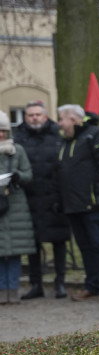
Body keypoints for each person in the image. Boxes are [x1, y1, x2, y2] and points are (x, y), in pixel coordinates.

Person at [55, 104, 99, 303]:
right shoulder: (65, 142)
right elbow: (60, 173)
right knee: (85, 247)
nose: (59, 124)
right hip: (73, 205)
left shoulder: (96, 135)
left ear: (73, 119)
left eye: (61, 119)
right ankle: (92, 285)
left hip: (94, 204)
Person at [14, 100, 70, 299]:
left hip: (54, 197)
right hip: (29, 198)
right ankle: (36, 284)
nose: (35, 118)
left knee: (59, 242)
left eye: (38, 114)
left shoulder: (58, 136)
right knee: (33, 244)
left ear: (45, 116)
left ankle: (60, 282)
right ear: (25, 117)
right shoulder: (18, 138)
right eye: (31, 115)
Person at [0, 111, 34, 305]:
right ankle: (0, 289)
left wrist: (17, 176)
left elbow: (28, 174)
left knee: (13, 252)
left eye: (3, 130)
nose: (0, 135)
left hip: (14, 204)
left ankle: (12, 289)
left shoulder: (17, 150)